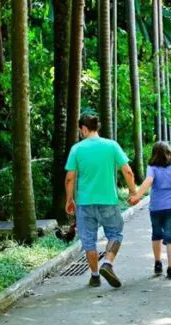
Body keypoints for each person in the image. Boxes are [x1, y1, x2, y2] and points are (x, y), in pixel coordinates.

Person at [65, 115, 137, 288]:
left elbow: (70, 178)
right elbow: (127, 171)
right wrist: (133, 192)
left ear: (83, 129)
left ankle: (95, 275)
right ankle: (108, 264)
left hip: (85, 203)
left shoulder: (77, 149)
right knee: (115, 233)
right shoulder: (111, 146)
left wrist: (69, 200)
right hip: (108, 201)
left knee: (88, 240)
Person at [129, 142, 171, 279]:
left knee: (157, 234)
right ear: (169, 153)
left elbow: (148, 181)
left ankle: (158, 263)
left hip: (156, 207)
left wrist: (137, 196)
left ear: (154, 154)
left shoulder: (152, 168)